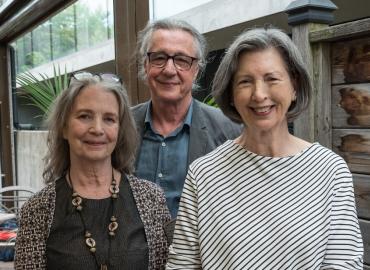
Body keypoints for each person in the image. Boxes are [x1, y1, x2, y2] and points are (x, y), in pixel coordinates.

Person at [166, 27, 364, 269]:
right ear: (231, 94)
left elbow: (343, 265)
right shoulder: (204, 174)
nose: (259, 95)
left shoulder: (329, 171)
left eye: (271, 79)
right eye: (245, 82)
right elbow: (183, 265)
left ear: (294, 86)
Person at [15, 72, 171, 270]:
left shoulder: (151, 199)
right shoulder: (38, 210)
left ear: (119, 130)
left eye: (109, 119)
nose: (97, 129)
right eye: (84, 116)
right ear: (64, 127)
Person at [133, 19, 242, 218]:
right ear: (145, 64)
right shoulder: (121, 126)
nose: (169, 69)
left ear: (197, 70)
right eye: (159, 58)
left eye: (182, 60)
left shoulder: (231, 131)